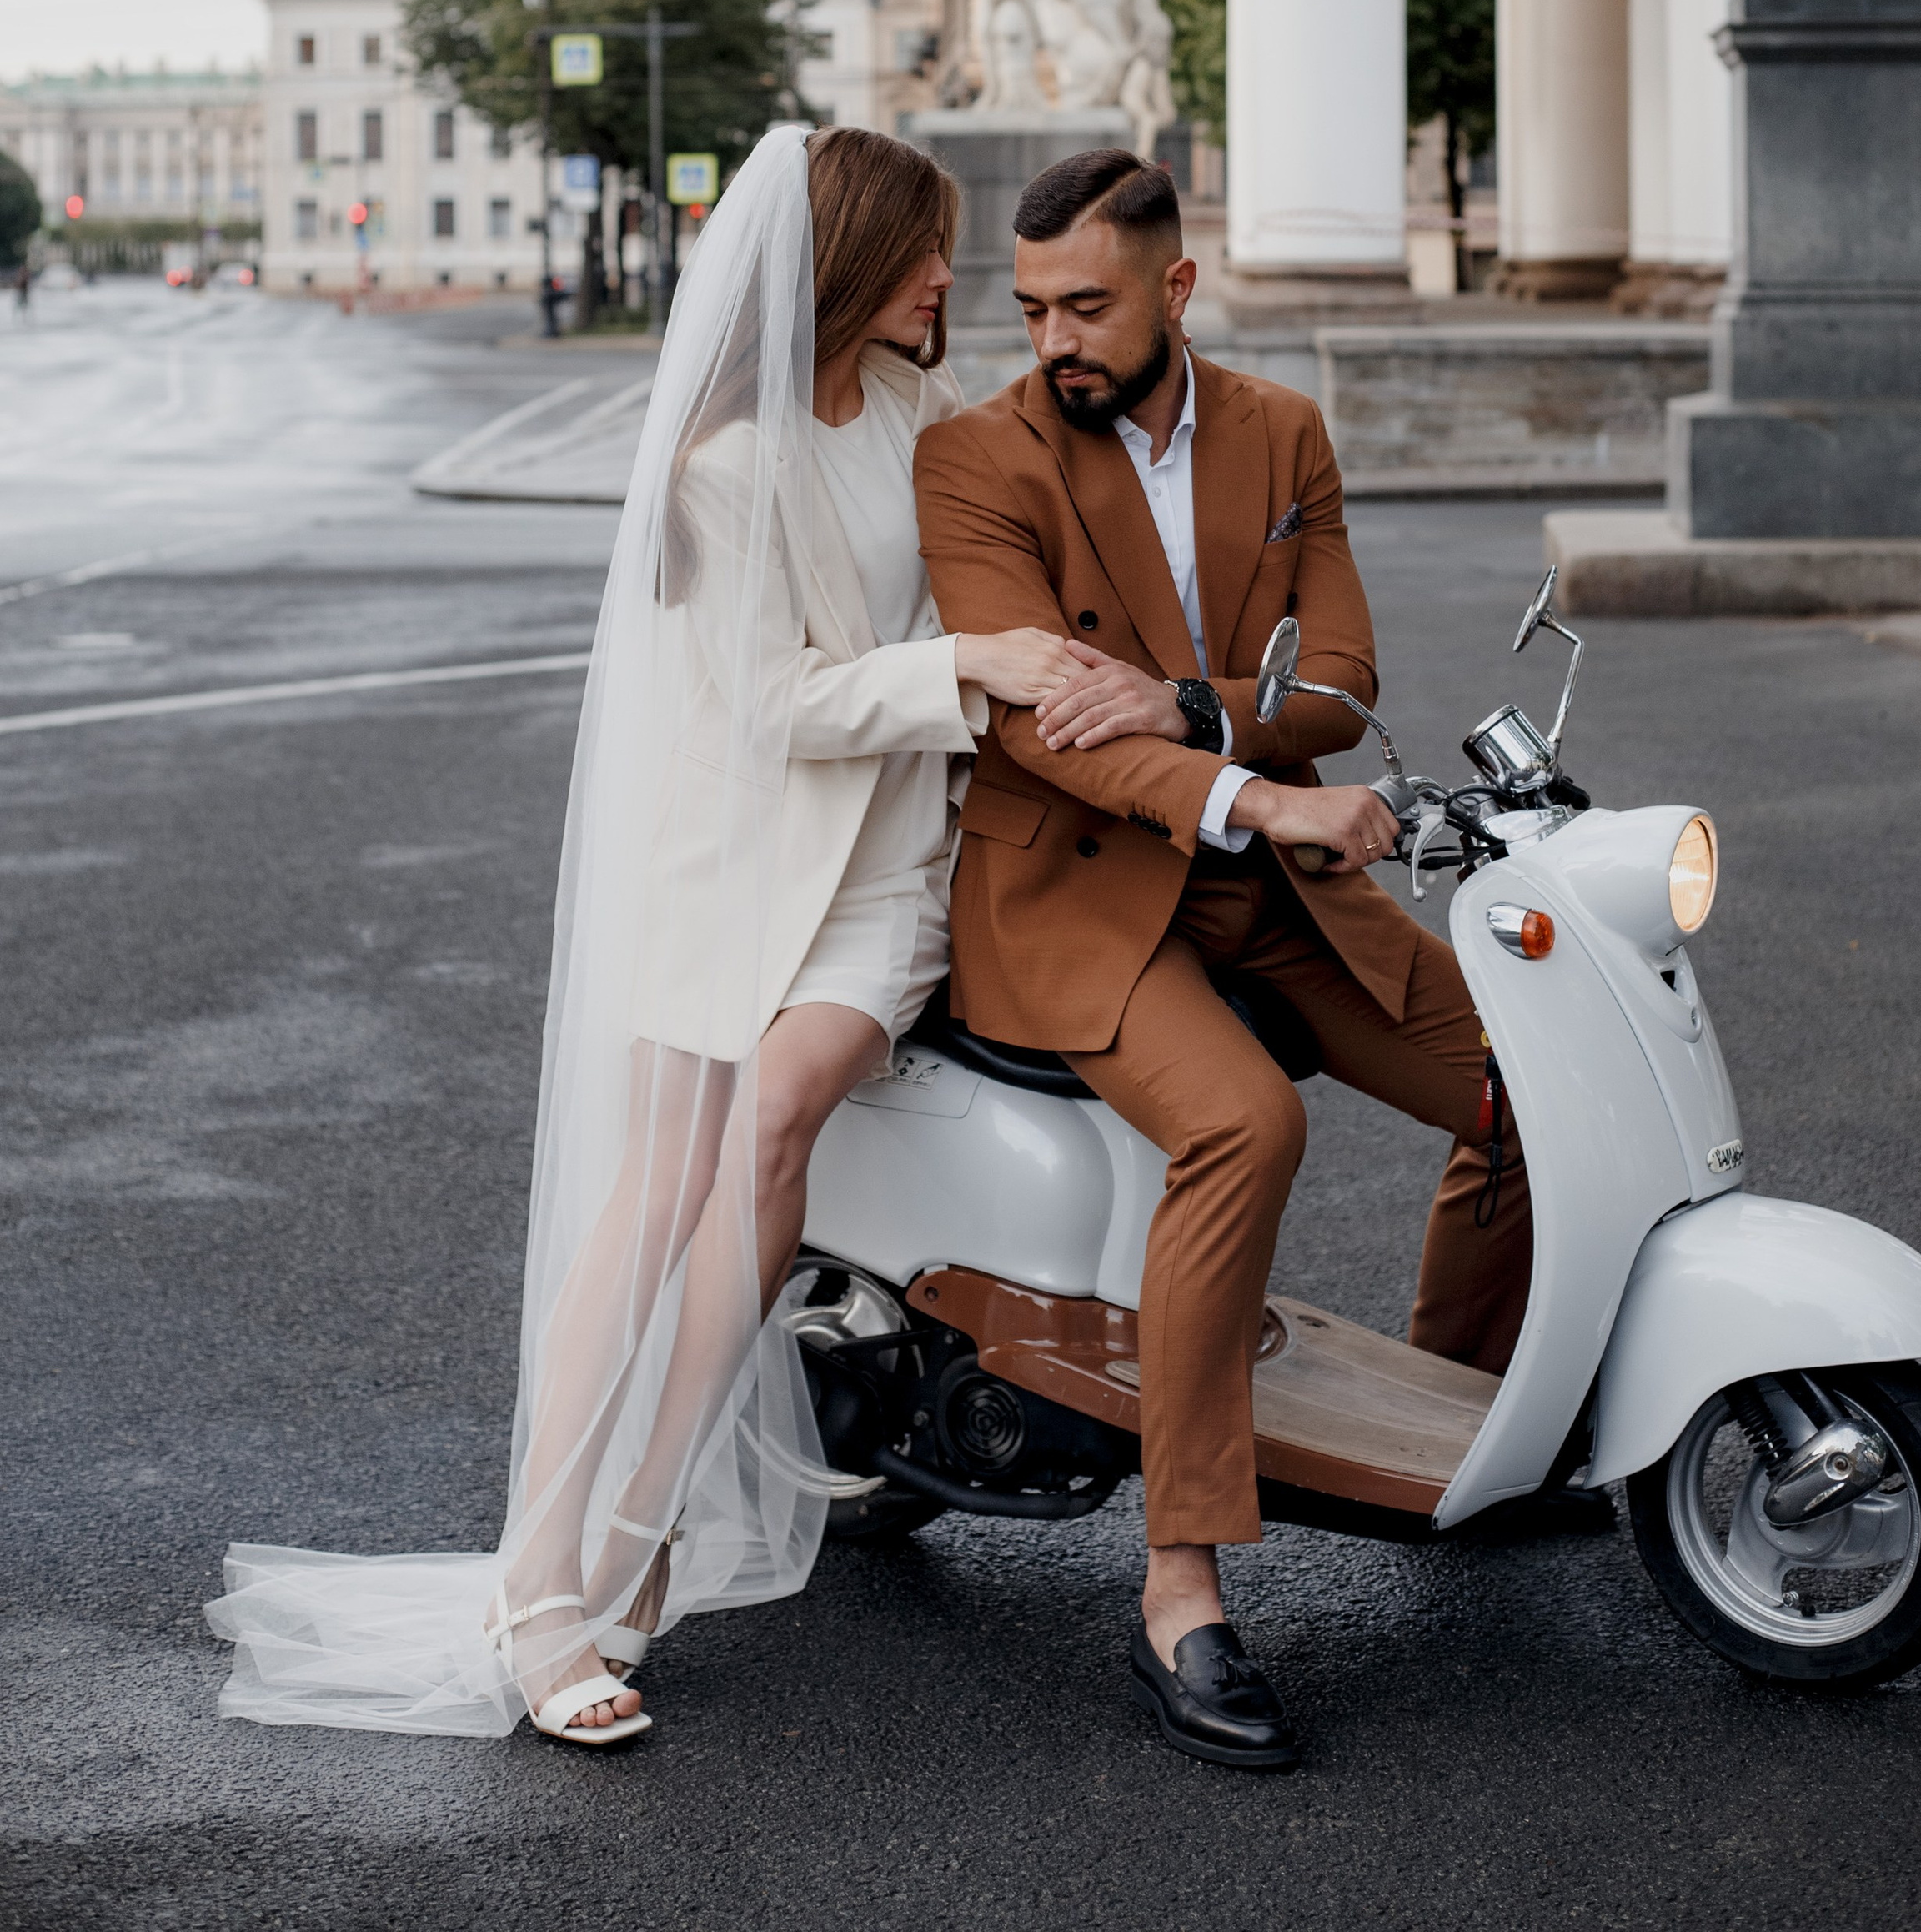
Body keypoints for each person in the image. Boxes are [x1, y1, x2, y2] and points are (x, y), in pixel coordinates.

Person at [208, 125, 1070, 1744]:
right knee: (656, 1186)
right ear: (847, 262)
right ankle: (547, 1582)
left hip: (879, 879)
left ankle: (644, 1521)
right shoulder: (718, 461)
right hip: (732, 860)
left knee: (771, 1124)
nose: (943, 282)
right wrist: (978, 671)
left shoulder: (910, 409)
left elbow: (983, 574)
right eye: (921, 252)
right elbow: (775, 704)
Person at [913, 146, 1538, 1772]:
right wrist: (1251, 787)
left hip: (1276, 885)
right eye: (1030, 304)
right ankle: (1177, 1586)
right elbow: (1052, 735)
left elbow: (1337, 682)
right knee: (1245, 1125)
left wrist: (1201, 715)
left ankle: (1464, 1430)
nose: (1053, 336)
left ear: (1174, 290)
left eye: (1086, 304)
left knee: (1525, 1091)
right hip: (1079, 896)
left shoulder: (1280, 432)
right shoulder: (974, 461)